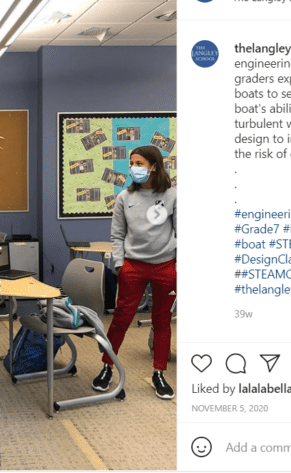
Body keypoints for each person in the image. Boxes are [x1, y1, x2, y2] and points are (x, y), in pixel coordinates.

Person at [91, 145, 177, 399]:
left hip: (165, 267)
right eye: (132, 163)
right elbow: (117, 235)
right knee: (120, 319)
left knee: (162, 321)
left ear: (154, 166)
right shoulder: (124, 198)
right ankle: (107, 367)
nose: (134, 168)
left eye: (139, 163)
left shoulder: (174, 196)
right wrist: (120, 264)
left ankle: (159, 373)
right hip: (133, 266)